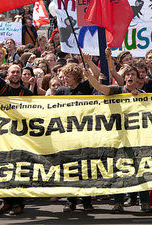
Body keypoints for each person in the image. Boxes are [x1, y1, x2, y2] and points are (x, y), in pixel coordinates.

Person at [84, 65, 152, 213]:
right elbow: (102, 88)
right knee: (118, 170)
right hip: (117, 138)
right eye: (127, 74)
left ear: (137, 78)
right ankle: (118, 203)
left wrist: (140, 98)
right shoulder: (117, 90)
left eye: (133, 74)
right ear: (124, 78)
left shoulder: (142, 93)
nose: (130, 77)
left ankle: (145, 202)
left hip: (136, 139)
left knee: (140, 170)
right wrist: (90, 77)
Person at [0, 42, 33, 215]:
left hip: (20, 137)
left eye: (18, 72)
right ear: (7, 74)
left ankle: (18, 204)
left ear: (22, 75)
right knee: (4, 170)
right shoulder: (2, 88)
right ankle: (6, 201)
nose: (15, 74)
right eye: (12, 72)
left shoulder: (27, 94)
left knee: (19, 170)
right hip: (3, 137)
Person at [55, 63, 95, 212]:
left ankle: (86, 200)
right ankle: (70, 200)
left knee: (85, 168)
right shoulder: (60, 91)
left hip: (84, 134)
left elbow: (95, 79)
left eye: (68, 75)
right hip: (68, 134)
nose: (65, 78)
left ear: (77, 76)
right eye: (64, 75)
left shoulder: (85, 87)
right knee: (70, 168)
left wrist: (88, 65)